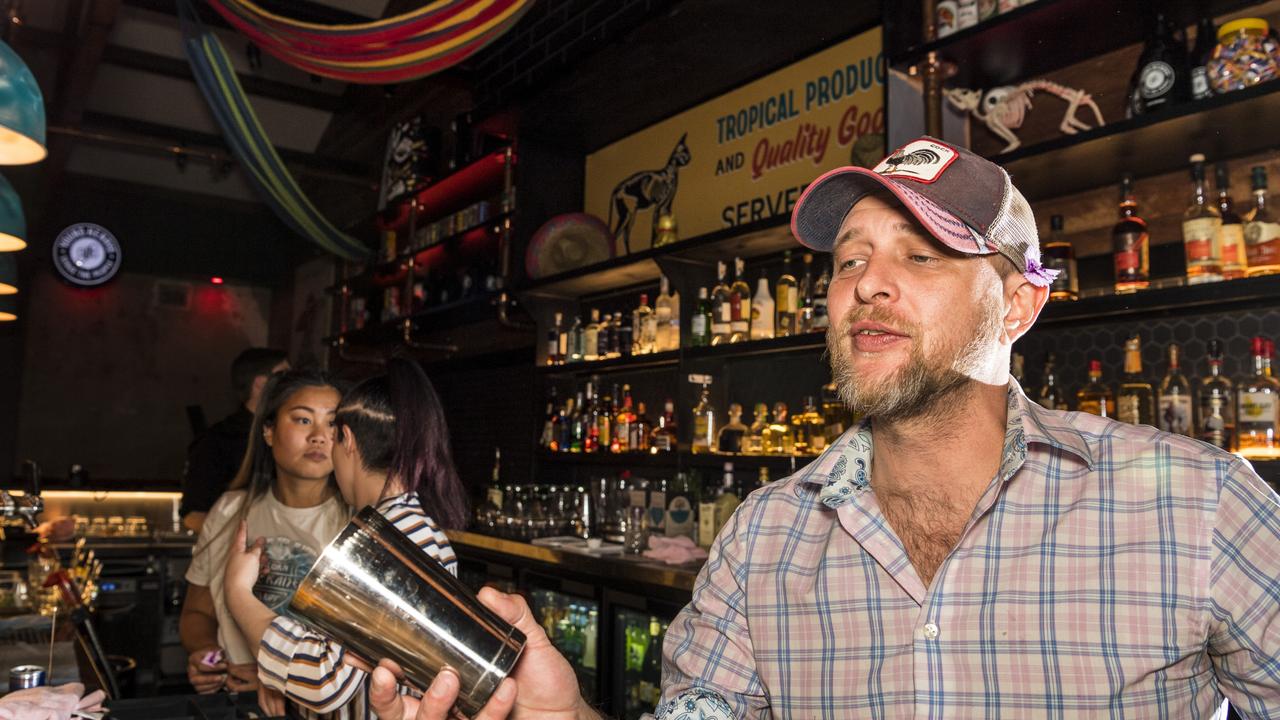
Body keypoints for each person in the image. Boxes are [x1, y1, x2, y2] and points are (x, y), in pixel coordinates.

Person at [369, 137, 1280, 719]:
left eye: (919, 257)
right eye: (849, 262)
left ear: (1018, 304)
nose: (865, 287)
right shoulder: (765, 538)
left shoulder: (1196, 506)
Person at [222, 358, 469, 720]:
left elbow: (322, 679)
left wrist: (238, 594)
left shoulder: (387, 544)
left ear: (347, 440)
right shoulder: (406, 528)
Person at [179, 369, 349, 709]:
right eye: (302, 420)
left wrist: (277, 675)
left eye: (332, 424)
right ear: (268, 432)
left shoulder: (354, 524)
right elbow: (197, 613)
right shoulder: (230, 511)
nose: (319, 437)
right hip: (234, 702)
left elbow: (364, 651)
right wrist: (205, 654)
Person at [181, 348, 290, 533]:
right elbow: (193, 516)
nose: (292, 384)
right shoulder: (216, 441)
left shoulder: (291, 436)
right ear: (260, 383)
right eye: (284, 376)